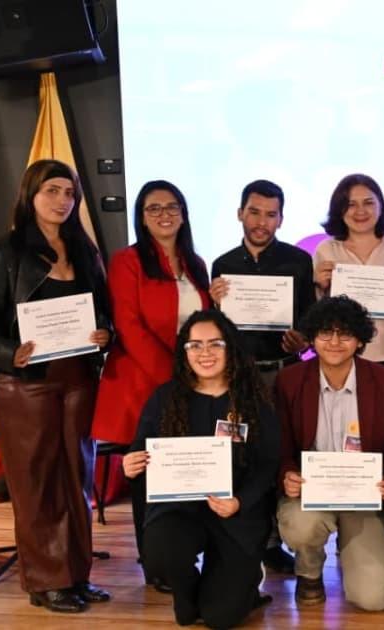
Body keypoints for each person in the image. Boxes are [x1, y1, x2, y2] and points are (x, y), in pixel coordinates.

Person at [0, 159, 112, 612]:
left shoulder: (84, 250)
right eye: (52, 190)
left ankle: (76, 575)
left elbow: (103, 312)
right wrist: (11, 352)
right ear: (31, 194)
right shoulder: (4, 250)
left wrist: (105, 333)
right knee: (37, 486)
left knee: (76, 481)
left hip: (78, 381)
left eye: (70, 193)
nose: (62, 200)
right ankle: (46, 582)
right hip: (25, 385)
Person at [122, 310, 280, 628]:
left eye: (215, 344)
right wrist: (131, 461)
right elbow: (141, 446)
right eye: (194, 345)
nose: (204, 353)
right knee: (160, 554)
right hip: (179, 511)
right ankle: (186, 592)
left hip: (235, 514)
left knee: (220, 618)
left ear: (231, 348)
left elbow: (267, 465)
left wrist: (240, 501)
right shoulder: (165, 397)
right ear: (184, 352)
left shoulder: (253, 400)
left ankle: (245, 582)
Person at [91, 180, 212, 589]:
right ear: (141, 217)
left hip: (190, 381)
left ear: (184, 212)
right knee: (148, 472)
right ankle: (156, 564)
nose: (164, 214)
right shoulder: (127, 261)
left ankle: (182, 554)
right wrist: (174, 380)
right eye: (153, 208)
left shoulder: (195, 263)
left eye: (172, 206)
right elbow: (128, 325)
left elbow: (202, 325)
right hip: (143, 382)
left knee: (184, 471)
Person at [208, 178, 314, 574]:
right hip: (239, 380)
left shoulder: (297, 261)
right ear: (240, 213)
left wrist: (299, 338)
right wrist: (214, 301)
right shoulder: (223, 265)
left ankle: (275, 541)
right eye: (254, 212)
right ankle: (249, 540)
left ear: (281, 219)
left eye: (271, 215)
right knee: (241, 457)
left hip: (284, 374)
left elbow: (308, 319)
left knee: (278, 453)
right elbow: (216, 328)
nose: (262, 222)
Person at [274, 296, 384, 610]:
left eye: (345, 334)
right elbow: (279, 447)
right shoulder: (289, 381)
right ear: (312, 337)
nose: (334, 342)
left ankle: (367, 551)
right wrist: (287, 475)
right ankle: (308, 572)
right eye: (325, 333)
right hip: (309, 493)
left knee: (374, 598)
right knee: (302, 525)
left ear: (360, 339)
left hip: (366, 496)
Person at [313, 173, 384, 397]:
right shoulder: (325, 250)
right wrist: (320, 286)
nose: (361, 211)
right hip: (342, 357)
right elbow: (315, 311)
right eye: (351, 204)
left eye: (369, 202)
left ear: (381, 206)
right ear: (339, 210)